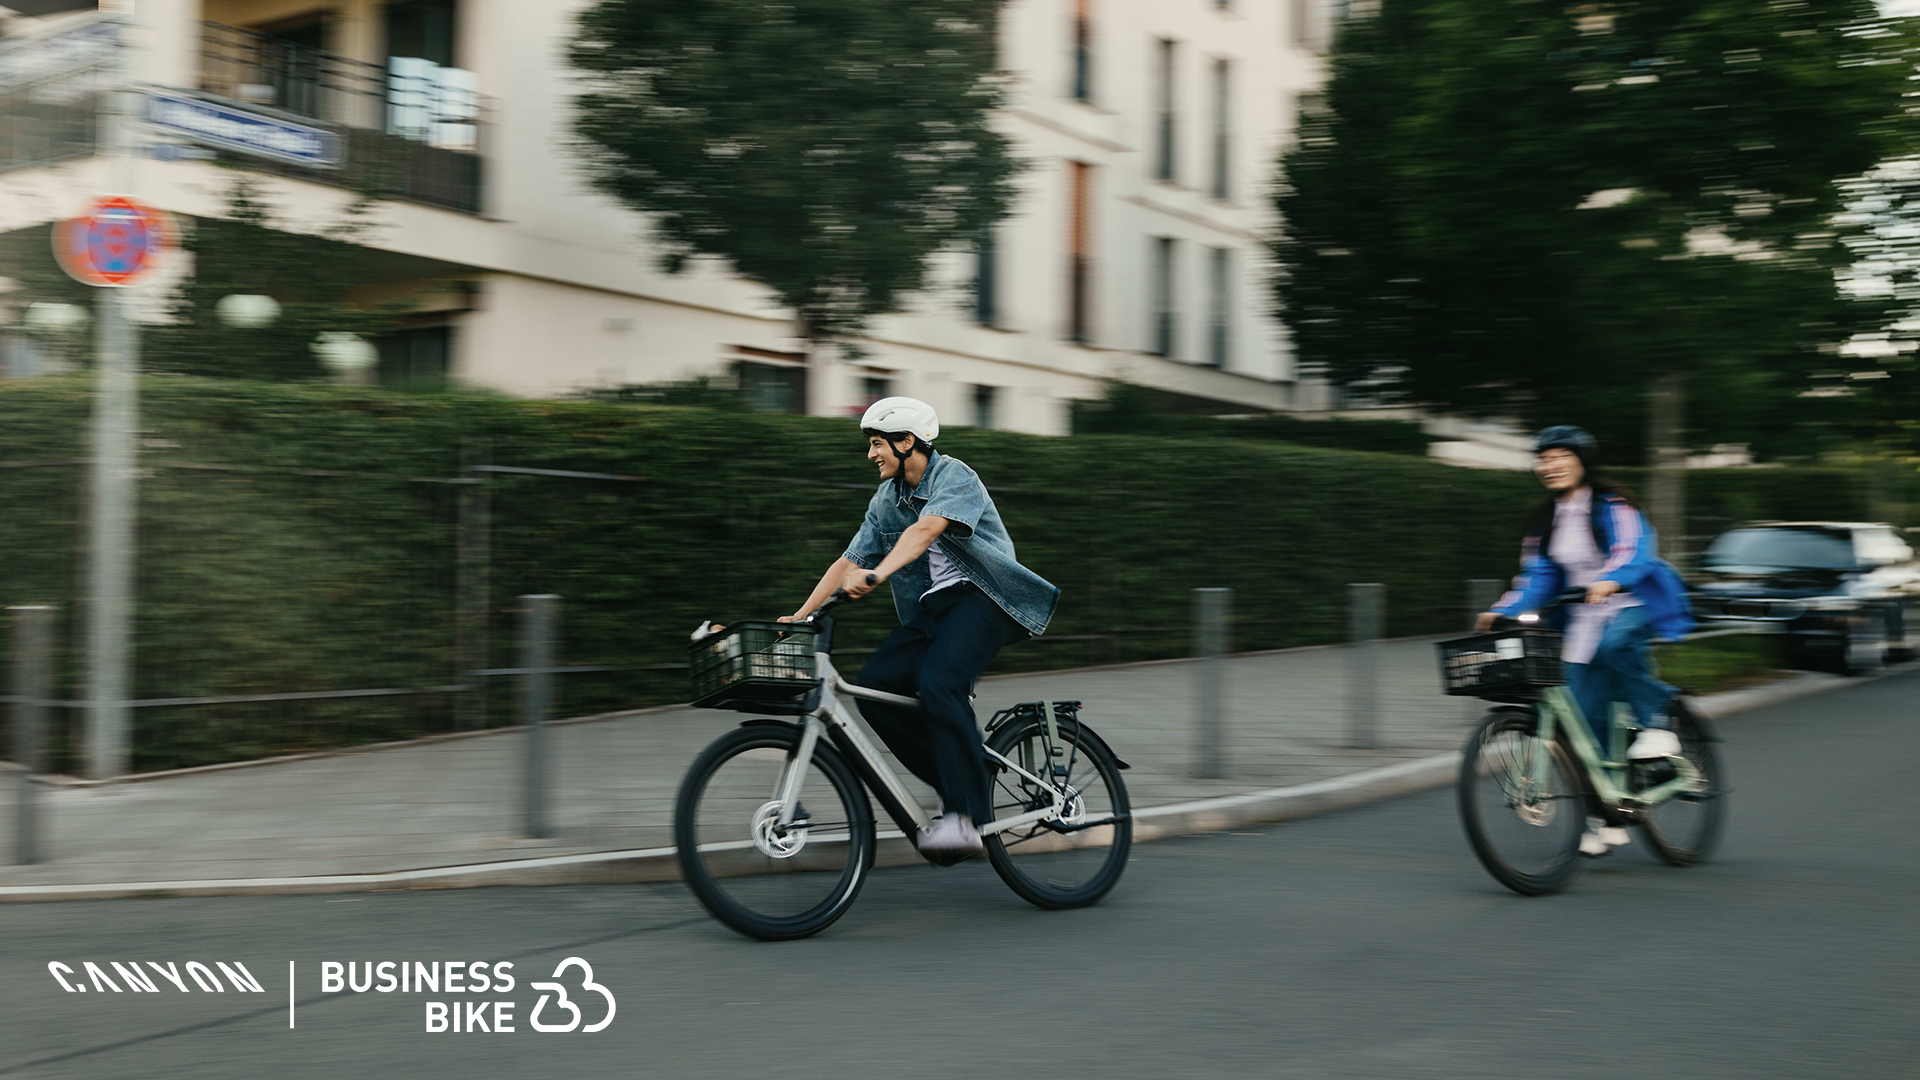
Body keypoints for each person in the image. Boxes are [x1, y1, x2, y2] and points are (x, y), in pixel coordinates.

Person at [783, 397, 1060, 856]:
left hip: (984, 598)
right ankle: (957, 779)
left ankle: (965, 817)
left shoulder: (954, 476)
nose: (871, 454)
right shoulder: (885, 500)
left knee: (939, 683)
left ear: (907, 441)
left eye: (877, 444)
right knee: (875, 688)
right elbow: (848, 560)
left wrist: (878, 574)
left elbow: (925, 530)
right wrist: (801, 616)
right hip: (934, 609)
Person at [1476, 425, 1695, 857]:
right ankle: (1606, 816)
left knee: (1615, 646)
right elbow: (1538, 576)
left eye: (1561, 456)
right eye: (1544, 459)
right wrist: (1503, 609)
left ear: (1582, 462)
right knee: (1582, 720)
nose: (1550, 465)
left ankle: (1658, 725)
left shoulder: (1613, 504)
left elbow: (1633, 549)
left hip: (1633, 603)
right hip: (1583, 616)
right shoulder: (1545, 520)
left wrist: (1611, 579)